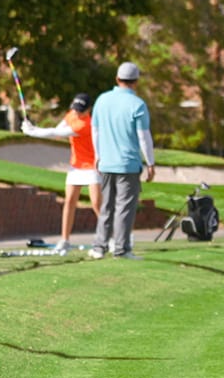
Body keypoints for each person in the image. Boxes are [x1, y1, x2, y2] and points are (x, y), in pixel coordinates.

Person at [91, 62, 155, 258]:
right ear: (136, 82)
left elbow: (95, 130)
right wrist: (150, 163)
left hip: (106, 162)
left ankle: (99, 247)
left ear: (117, 79)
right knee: (124, 208)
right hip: (128, 164)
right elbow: (144, 137)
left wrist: (97, 155)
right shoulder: (138, 104)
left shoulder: (102, 100)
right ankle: (121, 249)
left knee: (106, 206)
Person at [21, 93, 97, 253]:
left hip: (92, 167)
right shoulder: (71, 115)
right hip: (76, 166)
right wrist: (33, 128)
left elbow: (56, 134)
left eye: (81, 110)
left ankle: (111, 238)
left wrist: (32, 131)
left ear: (88, 109)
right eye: (75, 108)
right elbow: (57, 130)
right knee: (69, 201)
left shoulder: (86, 124)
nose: (77, 112)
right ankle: (65, 240)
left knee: (97, 203)